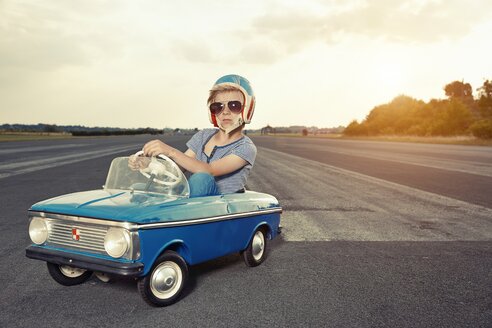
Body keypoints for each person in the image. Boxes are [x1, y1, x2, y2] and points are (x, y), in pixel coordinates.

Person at [130, 74, 257, 197]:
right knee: (138, 189)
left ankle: (175, 213)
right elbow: (177, 169)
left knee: (201, 178)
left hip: (223, 203)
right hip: (197, 200)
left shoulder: (245, 147)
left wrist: (171, 151)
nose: (225, 112)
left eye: (234, 105)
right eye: (217, 107)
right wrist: (148, 164)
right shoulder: (203, 136)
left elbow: (209, 170)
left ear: (247, 109)